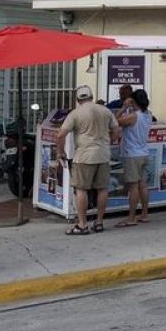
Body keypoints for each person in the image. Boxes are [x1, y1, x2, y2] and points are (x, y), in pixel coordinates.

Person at [56, 84, 118, 235]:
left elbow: (60, 135)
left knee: (81, 189)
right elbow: (116, 129)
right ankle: (99, 222)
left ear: (77, 100)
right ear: (92, 97)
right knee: (102, 189)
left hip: (83, 156)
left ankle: (82, 224)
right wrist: (108, 142)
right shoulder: (105, 111)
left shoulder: (75, 114)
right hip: (103, 155)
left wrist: (60, 152)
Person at [115, 89, 153, 228]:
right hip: (143, 152)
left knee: (133, 187)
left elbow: (114, 121)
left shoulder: (133, 117)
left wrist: (123, 107)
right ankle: (144, 214)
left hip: (132, 155)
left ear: (134, 101)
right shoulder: (148, 114)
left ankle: (131, 217)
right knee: (143, 185)